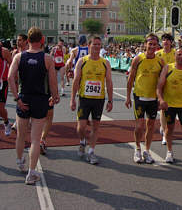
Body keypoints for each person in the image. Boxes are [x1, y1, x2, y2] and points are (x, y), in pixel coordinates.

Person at [8, 27, 60, 185]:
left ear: (28, 40)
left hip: (24, 98)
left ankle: (19, 161)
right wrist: (55, 96)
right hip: (40, 100)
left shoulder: (18, 56)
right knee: (36, 139)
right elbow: (52, 81)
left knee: (21, 135)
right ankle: (31, 173)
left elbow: (10, 77)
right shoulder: (47, 58)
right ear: (42, 40)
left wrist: (16, 98)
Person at [70, 36, 113, 165]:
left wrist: (110, 100)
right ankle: (82, 141)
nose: (96, 47)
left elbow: (109, 82)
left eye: (99, 45)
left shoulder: (105, 63)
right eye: (94, 44)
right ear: (89, 46)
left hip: (99, 100)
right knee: (81, 127)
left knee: (95, 126)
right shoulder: (82, 61)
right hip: (84, 98)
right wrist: (72, 99)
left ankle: (91, 152)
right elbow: (76, 80)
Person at [125, 33, 164, 164]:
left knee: (151, 126)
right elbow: (130, 79)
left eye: (154, 44)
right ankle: (137, 149)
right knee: (140, 125)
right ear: (145, 44)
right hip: (139, 96)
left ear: (157, 46)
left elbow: (163, 81)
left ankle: (147, 150)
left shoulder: (160, 61)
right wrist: (127, 97)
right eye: (150, 44)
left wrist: (161, 98)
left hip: (153, 98)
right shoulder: (138, 59)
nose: (152, 46)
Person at [155, 33, 175, 145]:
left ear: (171, 42)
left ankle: (167, 128)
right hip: (161, 84)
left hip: (173, 85)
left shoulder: (175, 54)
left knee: (172, 109)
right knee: (163, 108)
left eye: (168, 40)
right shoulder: (157, 54)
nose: (165, 42)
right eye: (164, 40)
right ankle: (164, 133)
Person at [0, 42, 12, 136]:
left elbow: (12, 65)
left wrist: (12, 80)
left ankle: (6, 122)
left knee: (1, 108)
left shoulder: (4, 51)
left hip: (2, 83)